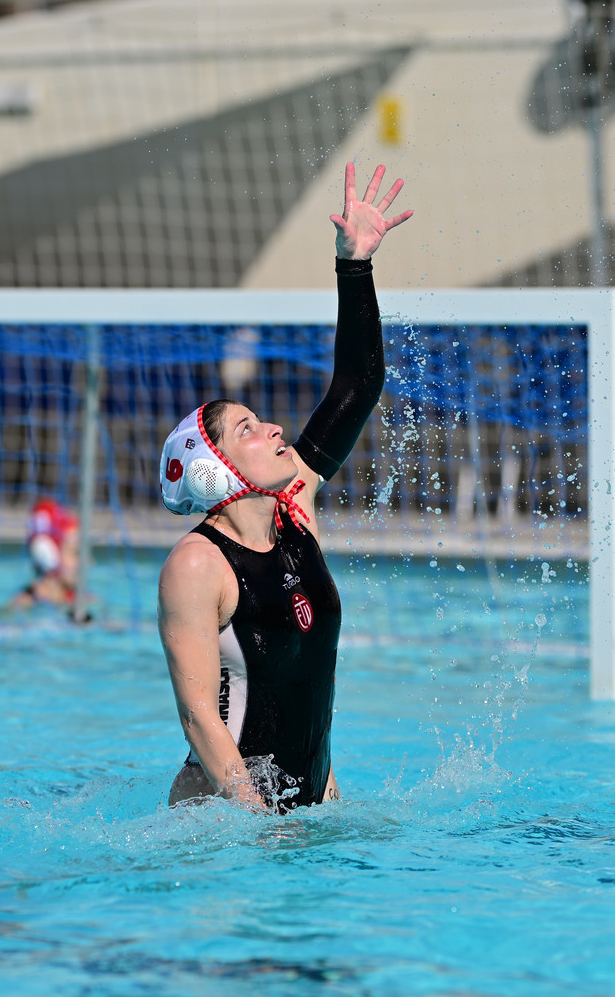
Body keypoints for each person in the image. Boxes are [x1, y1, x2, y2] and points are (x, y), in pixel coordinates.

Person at [158, 162, 413, 812]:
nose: (273, 428)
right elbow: (198, 718)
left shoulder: (293, 508)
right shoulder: (197, 564)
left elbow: (358, 385)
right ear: (215, 468)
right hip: (221, 823)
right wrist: (258, 826)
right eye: (247, 428)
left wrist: (354, 264)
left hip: (307, 811)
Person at [12, 498, 80, 609]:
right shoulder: (23, 605)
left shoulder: (82, 599)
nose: (89, 562)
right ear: (49, 556)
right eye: (75, 553)